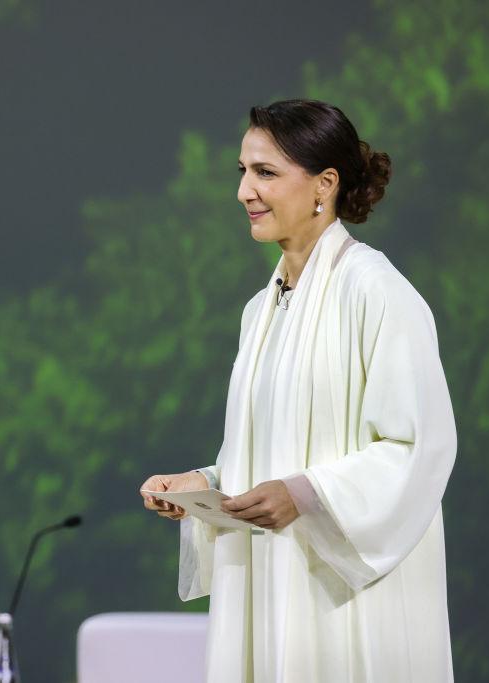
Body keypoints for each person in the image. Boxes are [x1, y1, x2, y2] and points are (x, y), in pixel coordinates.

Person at [140, 99, 455, 682]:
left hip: (344, 595)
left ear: (324, 185)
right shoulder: (262, 310)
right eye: (242, 171)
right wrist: (206, 486)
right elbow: (277, 448)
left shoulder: (377, 292)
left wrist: (306, 495)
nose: (244, 192)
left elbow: (418, 448)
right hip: (270, 579)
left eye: (265, 173)